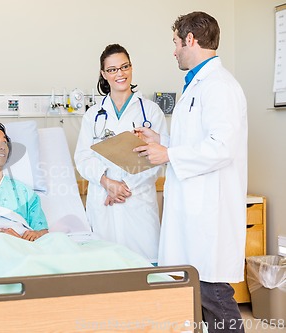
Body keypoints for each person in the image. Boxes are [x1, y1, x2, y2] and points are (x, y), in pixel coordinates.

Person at [133, 12, 247, 333]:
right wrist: (162, 141)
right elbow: (195, 143)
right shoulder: (196, 85)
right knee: (196, 293)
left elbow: (222, 147)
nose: (173, 51)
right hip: (193, 210)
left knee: (213, 294)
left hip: (207, 213)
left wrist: (168, 153)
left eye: (175, 43)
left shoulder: (219, 86)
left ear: (190, 40)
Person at [74, 44, 168, 263]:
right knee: (105, 270)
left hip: (137, 201)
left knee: (145, 269)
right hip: (103, 199)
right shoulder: (93, 115)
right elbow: (82, 157)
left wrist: (123, 188)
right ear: (104, 74)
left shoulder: (151, 111)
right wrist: (107, 182)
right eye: (113, 69)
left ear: (131, 68)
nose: (120, 74)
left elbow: (159, 158)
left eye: (124, 67)